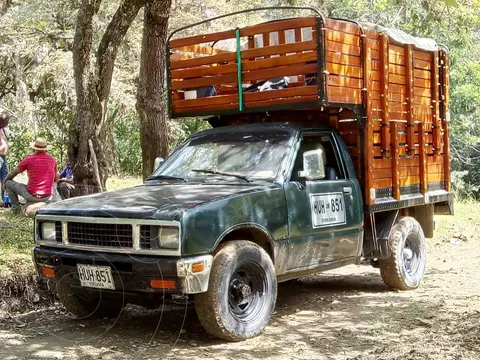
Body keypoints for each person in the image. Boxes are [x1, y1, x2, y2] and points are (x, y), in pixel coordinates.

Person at [3, 137, 57, 213]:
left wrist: (4, 181)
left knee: (8, 183)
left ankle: (16, 209)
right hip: (47, 196)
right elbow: (55, 179)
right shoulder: (52, 160)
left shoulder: (29, 159)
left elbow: (13, 173)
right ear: (46, 149)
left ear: (34, 148)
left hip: (31, 195)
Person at [0, 113, 9, 205]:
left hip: (3, 157)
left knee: (5, 179)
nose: (7, 123)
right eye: (6, 121)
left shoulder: (2, 130)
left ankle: (5, 200)